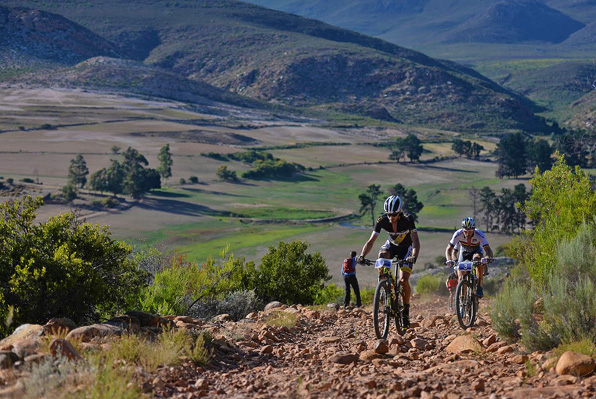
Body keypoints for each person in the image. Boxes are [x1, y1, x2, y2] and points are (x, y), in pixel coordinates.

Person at [358, 195, 420, 328]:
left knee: (403, 281)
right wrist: (362, 255)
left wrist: (413, 257)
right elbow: (371, 242)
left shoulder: (408, 219)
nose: (391, 217)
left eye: (394, 214)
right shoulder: (382, 220)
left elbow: (415, 242)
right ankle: (384, 285)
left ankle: (406, 312)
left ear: (399, 212)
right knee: (382, 256)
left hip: (406, 249)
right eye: (389, 214)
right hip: (391, 246)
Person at [445, 217, 494, 298]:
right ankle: (461, 298)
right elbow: (449, 249)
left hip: (476, 251)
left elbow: (488, 250)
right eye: (465, 231)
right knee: (460, 276)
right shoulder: (458, 234)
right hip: (464, 252)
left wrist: (487, 258)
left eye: (470, 231)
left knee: (478, 260)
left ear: (474, 229)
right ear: (462, 229)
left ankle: (479, 286)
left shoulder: (479, 234)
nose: (467, 233)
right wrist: (449, 260)